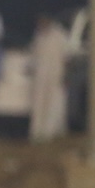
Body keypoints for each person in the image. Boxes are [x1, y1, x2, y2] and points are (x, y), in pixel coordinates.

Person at [30, 13, 68, 143]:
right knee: (39, 104)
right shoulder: (38, 36)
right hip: (40, 76)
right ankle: (37, 132)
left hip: (55, 74)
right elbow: (34, 55)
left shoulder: (59, 35)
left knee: (54, 103)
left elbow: (67, 56)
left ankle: (50, 132)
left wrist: (65, 75)